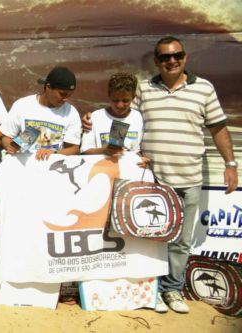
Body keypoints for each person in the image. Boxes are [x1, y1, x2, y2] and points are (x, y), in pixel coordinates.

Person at [82, 36, 238, 313]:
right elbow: (123, 113)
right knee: (145, 238)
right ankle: (150, 289)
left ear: (185, 57)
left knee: (181, 242)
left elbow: (218, 128)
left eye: (177, 55)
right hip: (151, 180)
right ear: (157, 61)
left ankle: (172, 290)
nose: (172, 60)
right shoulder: (144, 89)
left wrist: (230, 164)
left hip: (189, 177)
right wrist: (89, 119)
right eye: (165, 57)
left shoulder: (204, 88)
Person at [0, 66, 81, 159]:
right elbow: (5, 137)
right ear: (48, 87)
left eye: (70, 95)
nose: (65, 99)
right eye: (62, 94)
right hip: (23, 168)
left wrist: (54, 153)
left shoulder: (71, 112)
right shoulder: (22, 105)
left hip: (52, 169)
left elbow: (74, 149)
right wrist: (11, 147)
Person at [80, 72, 145, 161]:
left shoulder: (138, 118)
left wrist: (142, 160)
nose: (120, 105)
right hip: (101, 171)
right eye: (115, 100)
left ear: (133, 97)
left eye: (125, 101)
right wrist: (104, 150)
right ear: (109, 95)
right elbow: (84, 151)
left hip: (129, 171)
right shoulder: (96, 117)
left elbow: (138, 151)